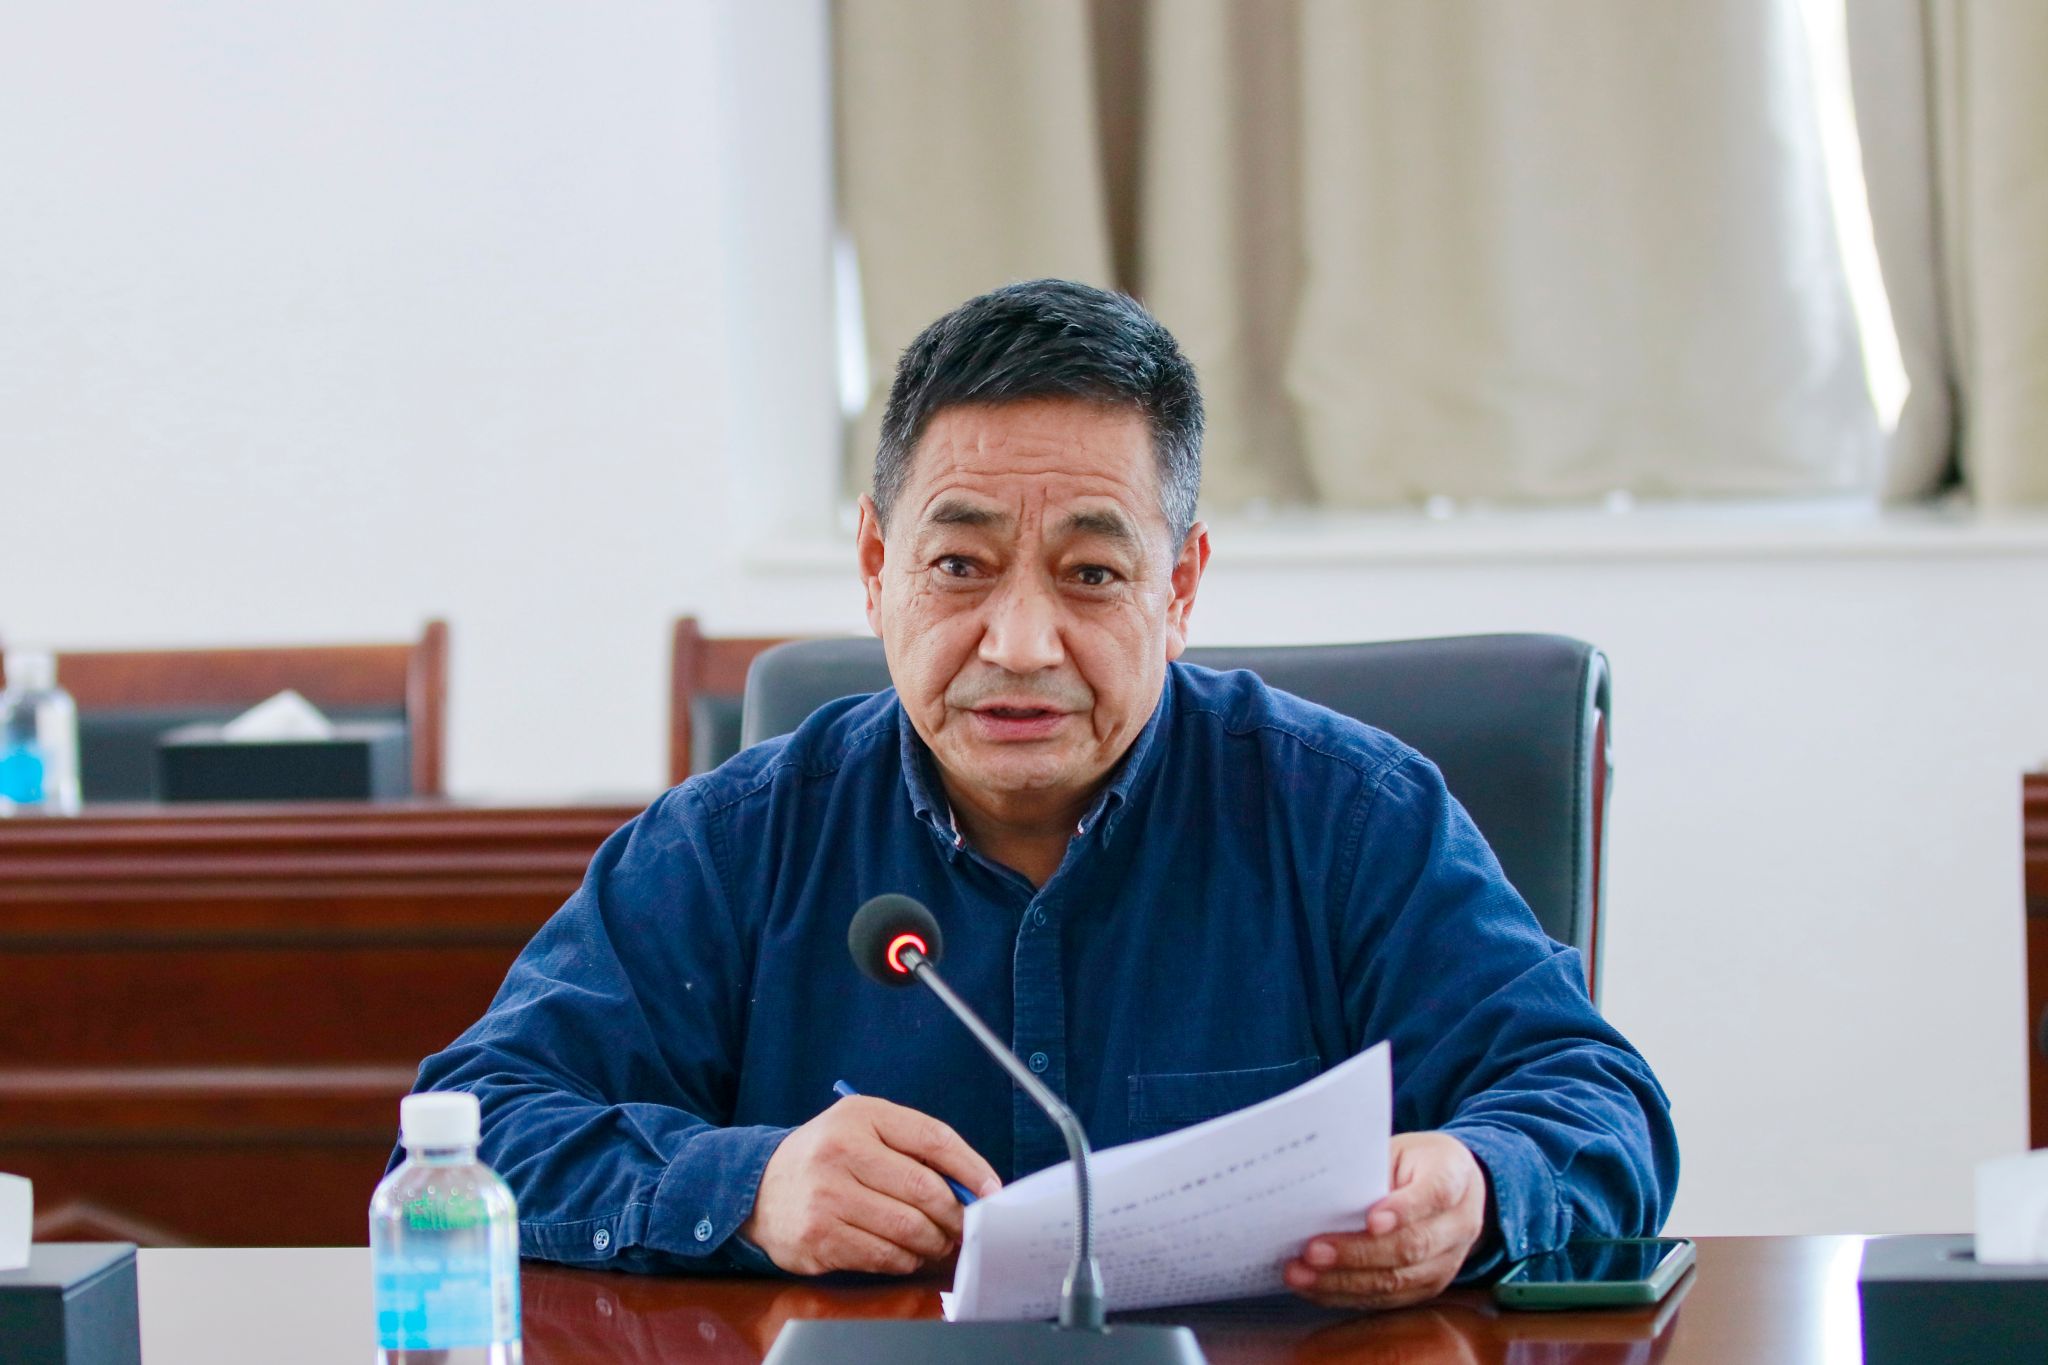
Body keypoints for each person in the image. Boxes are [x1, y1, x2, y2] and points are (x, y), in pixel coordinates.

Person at [400, 279, 1678, 1310]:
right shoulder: (737, 843)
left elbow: (1595, 1100)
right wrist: (747, 1186)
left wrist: (1476, 1185)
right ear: (875, 566)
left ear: (1178, 589)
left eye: (1090, 575)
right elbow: (471, 1133)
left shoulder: (1348, 819)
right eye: (959, 565)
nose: (1018, 644)